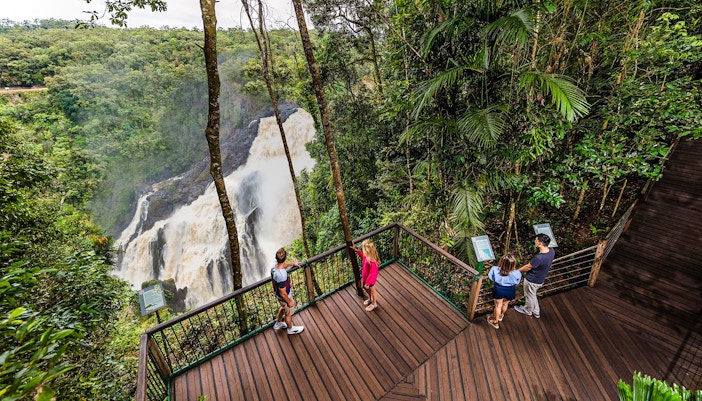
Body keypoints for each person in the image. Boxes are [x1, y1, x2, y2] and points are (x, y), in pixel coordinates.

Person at [514, 233, 555, 319]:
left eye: (536, 240)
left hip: (532, 280)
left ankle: (527, 310)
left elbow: (528, 266)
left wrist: (517, 271)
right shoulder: (551, 251)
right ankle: (536, 311)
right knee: (532, 294)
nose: (535, 241)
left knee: (529, 295)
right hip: (541, 279)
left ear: (540, 243)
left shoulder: (539, 258)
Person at [271, 248, 305, 335]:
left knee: (283, 308)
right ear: (285, 258)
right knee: (288, 314)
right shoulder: (282, 275)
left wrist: (293, 264)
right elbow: (283, 293)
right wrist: (289, 301)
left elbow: (284, 265)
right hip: (284, 297)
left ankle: (278, 323)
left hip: (278, 295)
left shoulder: (274, 267)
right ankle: (290, 329)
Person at [486, 254, 521, 329]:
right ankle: (501, 315)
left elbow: (491, 278)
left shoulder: (494, 269)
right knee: (505, 304)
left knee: (498, 306)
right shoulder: (517, 273)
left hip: (499, 289)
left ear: (501, 262)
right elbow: (517, 282)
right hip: (510, 289)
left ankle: (495, 322)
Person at [351, 239, 381, 312]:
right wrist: (356, 250)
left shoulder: (372, 261)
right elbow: (362, 255)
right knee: (364, 287)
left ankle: (374, 304)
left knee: (373, 291)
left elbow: (373, 273)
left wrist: (368, 283)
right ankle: (370, 298)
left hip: (370, 280)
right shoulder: (367, 256)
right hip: (365, 277)